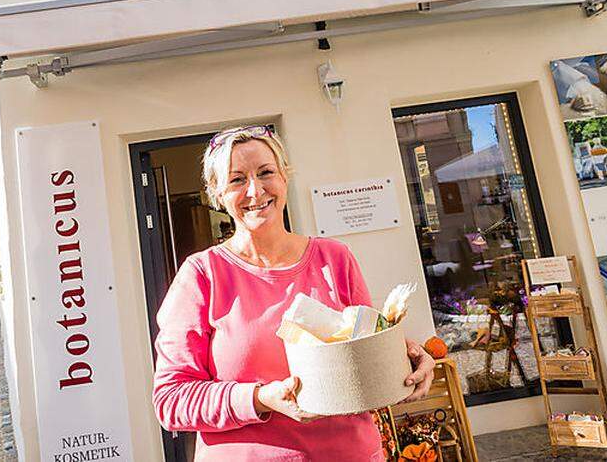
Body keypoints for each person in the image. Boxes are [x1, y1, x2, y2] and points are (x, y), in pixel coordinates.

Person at [153, 125, 435, 461]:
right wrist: (259, 398)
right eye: (237, 179)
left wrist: (409, 359)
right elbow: (171, 400)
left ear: (285, 177)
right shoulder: (202, 275)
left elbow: (361, 350)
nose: (255, 190)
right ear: (217, 194)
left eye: (266, 172)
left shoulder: (335, 259)